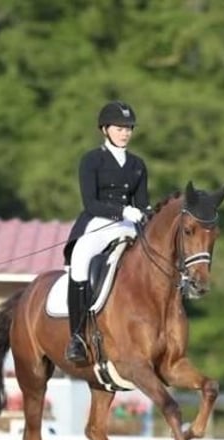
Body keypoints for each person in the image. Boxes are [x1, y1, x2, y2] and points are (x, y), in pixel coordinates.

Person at [63, 100, 152, 366]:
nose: (125, 133)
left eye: (129, 128)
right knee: (79, 263)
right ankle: (77, 336)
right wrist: (123, 212)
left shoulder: (138, 164)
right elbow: (90, 202)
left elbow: (142, 202)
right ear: (105, 129)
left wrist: (145, 213)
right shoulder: (92, 160)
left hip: (128, 225)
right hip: (98, 223)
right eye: (119, 128)